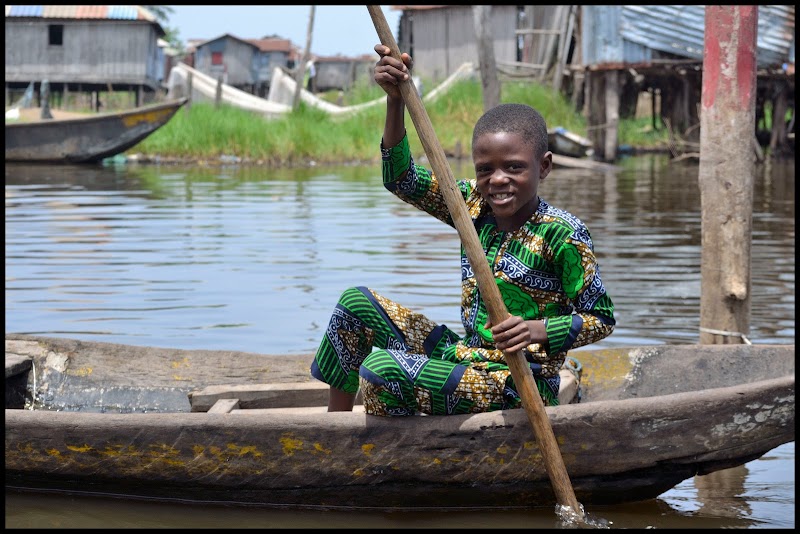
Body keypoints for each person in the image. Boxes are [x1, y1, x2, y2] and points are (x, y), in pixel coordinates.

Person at [310, 44, 616, 416]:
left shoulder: (562, 233)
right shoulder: (470, 203)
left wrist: (534, 331)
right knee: (355, 305)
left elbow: (601, 319)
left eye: (515, 168)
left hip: (519, 382)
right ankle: (335, 428)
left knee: (380, 369)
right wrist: (396, 102)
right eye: (486, 169)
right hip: (465, 356)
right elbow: (401, 179)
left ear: (544, 166)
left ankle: (399, 443)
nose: (498, 180)